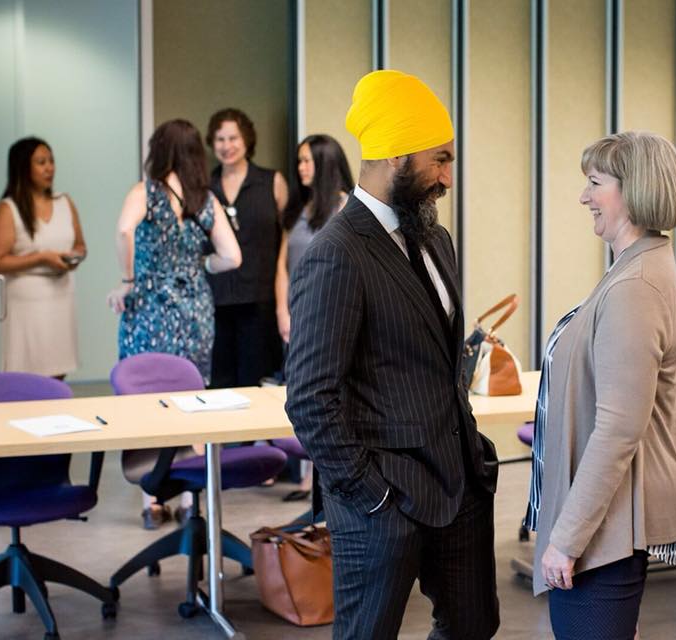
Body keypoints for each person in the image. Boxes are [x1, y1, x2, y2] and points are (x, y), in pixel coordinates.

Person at [284, 70, 499, 640]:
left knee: (475, 627)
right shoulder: (337, 252)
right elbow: (309, 397)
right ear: (398, 156)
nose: (449, 178)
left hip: (459, 486)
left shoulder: (435, 238)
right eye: (440, 160)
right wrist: (369, 495)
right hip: (384, 502)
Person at [528, 131, 676, 638]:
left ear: (634, 190)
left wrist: (567, 538)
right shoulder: (637, 266)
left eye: (594, 183)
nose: (583, 197)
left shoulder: (634, 287)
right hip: (609, 522)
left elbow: (619, 429)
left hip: (608, 529)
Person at [107, 119, 241, 528]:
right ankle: (188, 497)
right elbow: (232, 257)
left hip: (150, 306)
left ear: (158, 149)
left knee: (147, 400)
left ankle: (152, 499)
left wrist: (128, 280)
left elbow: (124, 230)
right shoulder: (206, 199)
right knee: (192, 396)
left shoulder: (145, 191)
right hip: (195, 311)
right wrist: (198, 265)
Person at [273, 133, 353, 503]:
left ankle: (327, 476)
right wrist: (281, 310)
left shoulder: (347, 208)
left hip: (329, 318)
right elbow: (282, 264)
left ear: (324, 164)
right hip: (296, 316)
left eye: (307, 161)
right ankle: (307, 477)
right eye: (299, 161)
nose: (301, 168)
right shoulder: (299, 210)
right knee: (301, 394)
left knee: (328, 396)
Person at [205, 108, 287, 388]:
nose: (226, 146)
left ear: (247, 140)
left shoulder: (271, 182)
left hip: (259, 300)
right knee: (219, 384)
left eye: (233, 138)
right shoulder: (205, 187)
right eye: (219, 139)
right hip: (215, 300)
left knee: (257, 382)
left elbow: (286, 237)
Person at [0, 137, 86, 378]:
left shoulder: (65, 202)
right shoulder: (8, 208)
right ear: (23, 167)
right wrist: (41, 258)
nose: (49, 168)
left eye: (51, 161)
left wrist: (73, 258)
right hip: (25, 303)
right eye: (41, 162)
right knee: (25, 377)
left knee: (57, 372)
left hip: (60, 296)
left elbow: (80, 245)